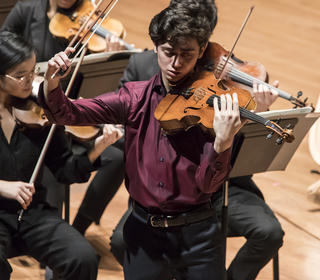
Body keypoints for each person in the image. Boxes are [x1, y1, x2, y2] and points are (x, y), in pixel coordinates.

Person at [39, 4, 244, 279]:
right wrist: (52, 83)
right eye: (169, 53)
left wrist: (223, 141)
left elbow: (208, 184)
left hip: (199, 236)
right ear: (156, 46)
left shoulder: (212, 108)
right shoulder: (134, 98)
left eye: (187, 55)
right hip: (144, 234)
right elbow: (67, 112)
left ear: (202, 49)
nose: (176, 64)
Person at [112, 1, 285, 279]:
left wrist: (255, 115)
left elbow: (242, 156)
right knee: (121, 241)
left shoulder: (226, 71)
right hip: (165, 194)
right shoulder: (145, 66)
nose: (180, 60)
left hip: (220, 189)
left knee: (269, 233)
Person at [0, 31, 122, 280]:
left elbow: (66, 168)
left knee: (82, 257)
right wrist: (3, 187)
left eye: (34, 71)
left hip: (32, 213)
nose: (31, 81)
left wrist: (98, 146)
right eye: (21, 75)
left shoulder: (39, 111)